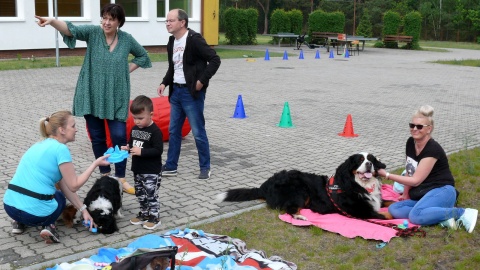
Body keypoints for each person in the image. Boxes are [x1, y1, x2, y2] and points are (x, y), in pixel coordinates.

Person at [35, 3, 152, 195]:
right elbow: (72, 30)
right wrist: (53, 21)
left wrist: (125, 70)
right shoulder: (93, 33)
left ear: (119, 22)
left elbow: (142, 55)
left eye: (111, 19)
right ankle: (105, 174)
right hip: (92, 93)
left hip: (116, 95)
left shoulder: (126, 40)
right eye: (104, 18)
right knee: (97, 138)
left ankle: (121, 176)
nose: (106, 22)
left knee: (119, 137)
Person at [3, 111, 111, 243]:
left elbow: (66, 185)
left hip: (10, 207)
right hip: (34, 215)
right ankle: (49, 226)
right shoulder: (61, 149)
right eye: (73, 126)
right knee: (58, 196)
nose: (76, 130)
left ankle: (18, 223)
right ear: (62, 130)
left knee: (51, 189)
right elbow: (73, 185)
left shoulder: (38, 144)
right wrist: (95, 164)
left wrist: (84, 211)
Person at [377, 105, 478, 233]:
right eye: (412, 125)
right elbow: (410, 170)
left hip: (442, 191)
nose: (414, 129)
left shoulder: (432, 149)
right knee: (394, 209)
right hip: (422, 194)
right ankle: (441, 217)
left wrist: (386, 174)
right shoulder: (410, 142)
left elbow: (415, 181)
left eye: (419, 127)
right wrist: (406, 193)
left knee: (415, 216)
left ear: (429, 129)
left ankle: (462, 212)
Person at [157, 8, 221, 180]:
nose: (167, 24)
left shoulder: (194, 40)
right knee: (173, 131)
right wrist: (165, 82)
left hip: (191, 93)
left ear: (182, 22)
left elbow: (215, 59)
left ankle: (205, 167)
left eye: (171, 20)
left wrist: (201, 81)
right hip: (176, 92)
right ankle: (171, 166)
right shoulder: (172, 41)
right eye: (166, 21)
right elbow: (173, 67)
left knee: (198, 131)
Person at [121, 95, 163, 230]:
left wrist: (142, 152)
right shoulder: (134, 129)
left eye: (140, 118)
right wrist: (127, 148)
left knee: (151, 194)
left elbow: (158, 150)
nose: (137, 121)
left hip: (151, 170)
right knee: (140, 193)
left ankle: (154, 217)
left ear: (151, 114)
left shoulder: (155, 131)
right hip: (138, 169)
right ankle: (144, 213)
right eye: (134, 118)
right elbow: (132, 145)